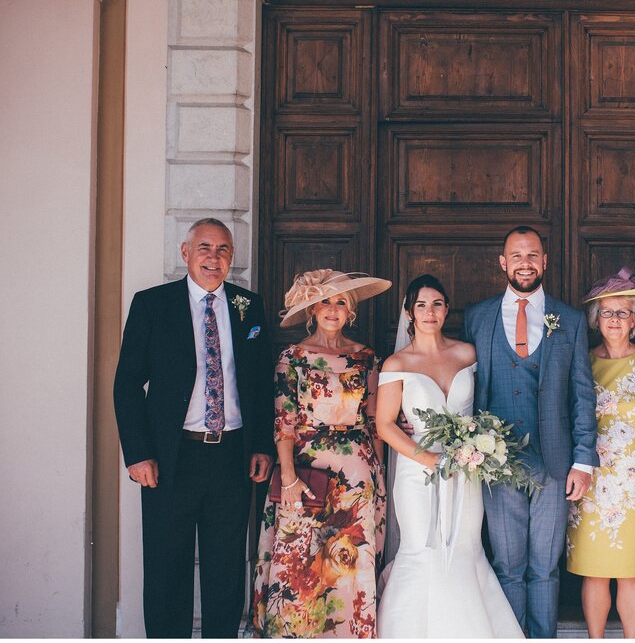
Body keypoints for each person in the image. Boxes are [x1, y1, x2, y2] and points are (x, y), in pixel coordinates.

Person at [113, 217, 274, 638]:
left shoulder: (248, 306)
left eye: (223, 250)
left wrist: (262, 445)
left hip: (232, 456)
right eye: (204, 247)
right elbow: (127, 382)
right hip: (171, 457)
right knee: (168, 570)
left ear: (232, 258)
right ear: (185, 253)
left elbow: (258, 382)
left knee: (225, 571)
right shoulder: (152, 304)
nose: (213, 257)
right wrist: (138, 453)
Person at [462, 226, 599, 638]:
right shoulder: (478, 317)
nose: (525, 263)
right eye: (516, 256)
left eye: (532, 255)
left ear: (545, 261)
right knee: (507, 565)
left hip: (554, 464)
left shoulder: (570, 320)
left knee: (545, 566)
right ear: (503, 263)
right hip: (497, 464)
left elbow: (582, 395)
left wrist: (583, 460)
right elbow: (467, 389)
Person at [375, 274, 524, 638]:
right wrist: (431, 460)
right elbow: (385, 425)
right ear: (409, 312)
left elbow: (488, 406)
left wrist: (481, 446)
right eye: (422, 305)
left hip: (467, 471)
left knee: (465, 547)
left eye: (437, 304)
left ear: (446, 310)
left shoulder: (468, 354)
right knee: (421, 548)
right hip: (417, 475)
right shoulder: (396, 364)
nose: (430, 311)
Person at [250, 269, 390, 638]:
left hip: (357, 474)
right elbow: (284, 421)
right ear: (312, 310)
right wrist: (289, 478)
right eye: (325, 302)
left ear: (351, 311)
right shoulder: (292, 357)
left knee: (349, 560)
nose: (332, 309)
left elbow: (374, 421)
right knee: (300, 562)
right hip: (305, 473)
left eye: (340, 302)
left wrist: (380, 479)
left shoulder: (366, 357)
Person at [566, 268, 635, 638]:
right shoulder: (583, 363)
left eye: (623, 312)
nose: (614, 319)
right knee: (594, 568)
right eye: (607, 312)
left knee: (631, 569)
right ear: (596, 319)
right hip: (591, 480)